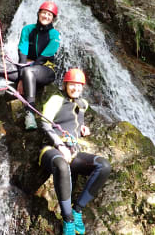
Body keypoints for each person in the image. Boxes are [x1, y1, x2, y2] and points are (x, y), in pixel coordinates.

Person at [0, 1, 61, 130]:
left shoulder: (55, 35)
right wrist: (22, 75)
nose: (46, 16)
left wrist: (23, 75)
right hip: (25, 66)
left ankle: (29, 113)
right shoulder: (28, 29)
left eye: (49, 15)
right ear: (39, 14)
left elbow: (44, 57)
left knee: (28, 72)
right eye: (44, 13)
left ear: (53, 18)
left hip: (45, 70)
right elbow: (22, 51)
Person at [39, 68, 111, 235]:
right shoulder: (56, 99)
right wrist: (59, 145)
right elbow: (45, 124)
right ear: (65, 85)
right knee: (62, 166)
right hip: (50, 149)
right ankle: (68, 219)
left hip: (73, 151)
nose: (76, 89)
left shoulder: (83, 104)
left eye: (79, 86)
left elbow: (74, 124)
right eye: (72, 85)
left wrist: (82, 130)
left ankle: (78, 209)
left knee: (104, 166)